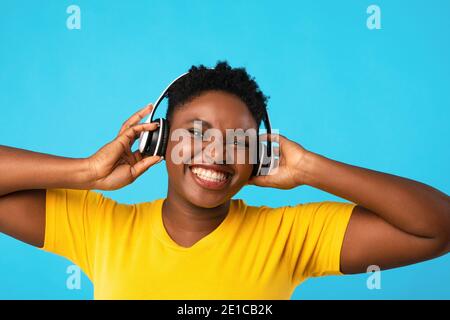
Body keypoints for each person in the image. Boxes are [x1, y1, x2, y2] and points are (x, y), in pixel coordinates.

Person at [0, 61, 448, 299]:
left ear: (258, 156)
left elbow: (437, 228)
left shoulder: (291, 237)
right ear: (160, 140)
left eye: (238, 141)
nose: (215, 153)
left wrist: (311, 168)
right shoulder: (98, 227)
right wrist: (85, 172)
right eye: (195, 134)